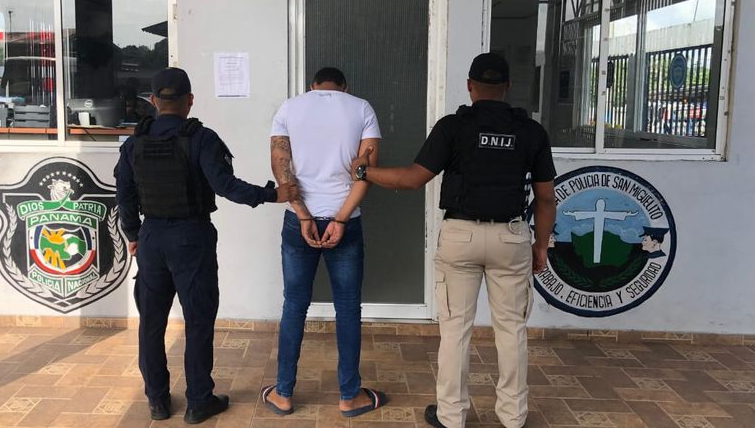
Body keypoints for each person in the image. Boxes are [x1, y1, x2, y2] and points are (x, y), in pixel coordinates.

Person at [350, 53, 557, 428]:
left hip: (461, 236)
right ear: (508, 87)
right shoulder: (531, 132)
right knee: (511, 330)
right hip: (511, 237)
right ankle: (513, 417)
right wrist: (541, 245)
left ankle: (451, 416)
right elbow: (545, 199)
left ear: (470, 86)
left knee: (455, 330)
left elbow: (412, 179)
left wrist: (364, 171)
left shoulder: (453, 127)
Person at [114, 67, 299, 423]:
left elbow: (124, 193)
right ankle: (199, 401)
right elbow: (226, 186)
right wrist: (272, 195)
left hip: (152, 239)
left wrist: (134, 234)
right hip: (191, 238)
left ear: (152, 101)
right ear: (190, 100)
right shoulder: (201, 138)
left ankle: (157, 401)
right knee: (198, 321)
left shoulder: (135, 142)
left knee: (151, 323)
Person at [261, 67, 388, 418]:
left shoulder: (289, 107)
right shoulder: (361, 108)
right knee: (347, 308)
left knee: (294, 304)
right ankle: (350, 396)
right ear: (344, 87)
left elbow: (281, 166)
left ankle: (283, 394)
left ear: (312, 86)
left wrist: (303, 214)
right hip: (344, 220)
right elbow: (365, 172)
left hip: (298, 221)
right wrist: (340, 219)